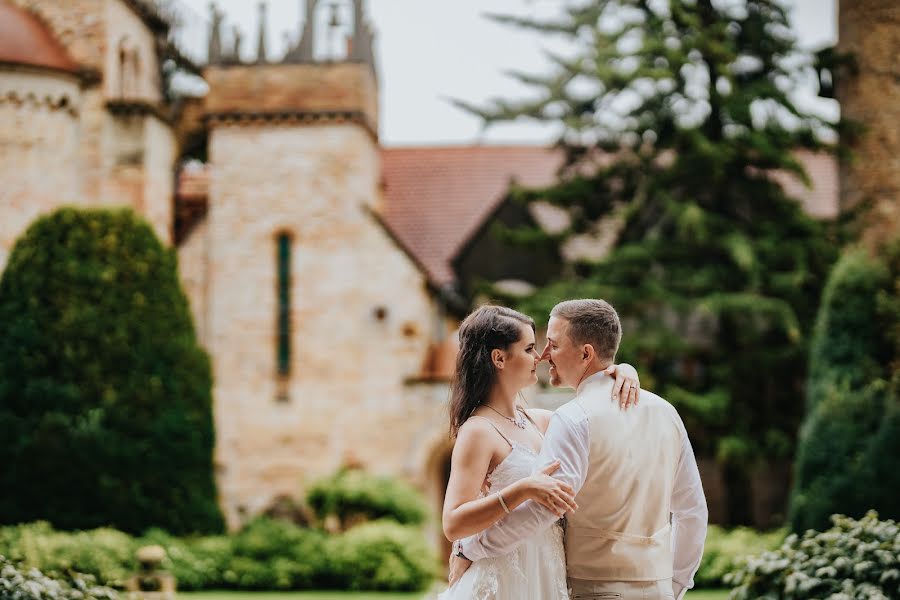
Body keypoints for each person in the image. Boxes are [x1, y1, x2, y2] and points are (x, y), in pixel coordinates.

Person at [452, 299, 708, 600]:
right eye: (534, 347)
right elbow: (692, 511)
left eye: (552, 345)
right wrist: (676, 584)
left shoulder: (570, 419)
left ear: (586, 353)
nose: (544, 356)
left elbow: (544, 510)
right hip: (657, 588)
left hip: (595, 588)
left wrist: (469, 549)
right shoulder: (666, 411)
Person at [438, 304, 641, 600]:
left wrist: (625, 370)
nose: (540, 356)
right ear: (499, 358)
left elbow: (592, 399)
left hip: (547, 566)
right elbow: (453, 523)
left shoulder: (542, 421)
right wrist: (522, 490)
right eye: (530, 348)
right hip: (505, 572)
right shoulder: (478, 431)